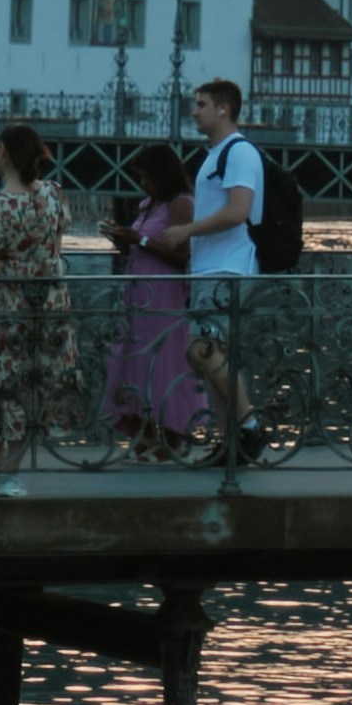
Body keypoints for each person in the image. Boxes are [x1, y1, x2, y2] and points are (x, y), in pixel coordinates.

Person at [0, 121, 77, 497]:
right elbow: (56, 252)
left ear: (2, 152)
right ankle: (11, 472)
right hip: (49, 303)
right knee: (37, 387)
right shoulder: (54, 195)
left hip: (8, 306)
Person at [176, 78, 267, 469]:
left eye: (201, 104)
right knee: (211, 356)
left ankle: (250, 426)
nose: (195, 110)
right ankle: (231, 441)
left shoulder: (239, 153)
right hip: (210, 267)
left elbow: (238, 210)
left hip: (229, 266)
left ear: (223, 109)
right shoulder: (216, 154)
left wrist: (187, 230)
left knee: (202, 349)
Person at [107, 142, 205, 456]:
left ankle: (174, 434)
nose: (144, 184)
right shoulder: (149, 204)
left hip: (164, 295)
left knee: (166, 361)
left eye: (148, 177)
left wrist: (140, 239)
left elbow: (181, 254)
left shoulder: (181, 204)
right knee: (136, 360)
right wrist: (125, 241)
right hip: (139, 294)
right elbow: (141, 245)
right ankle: (145, 430)